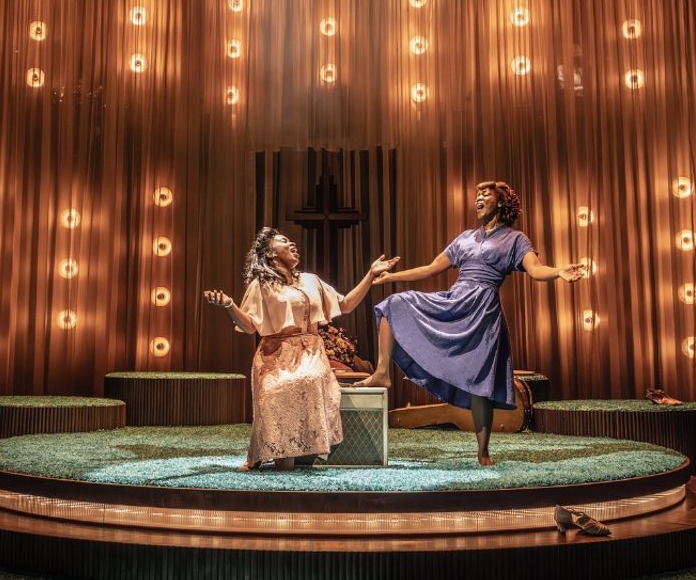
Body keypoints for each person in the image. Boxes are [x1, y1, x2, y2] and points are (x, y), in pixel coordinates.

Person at [353, 181, 585, 466]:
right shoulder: (464, 238)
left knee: (480, 383)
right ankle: (381, 372)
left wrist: (559, 271)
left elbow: (536, 270)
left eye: (485, 194)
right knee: (393, 305)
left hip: (484, 313)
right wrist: (391, 277)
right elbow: (429, 268)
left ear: (500, 202)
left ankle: (483, 450)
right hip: (456, 300)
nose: (478, 198)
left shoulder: (515, 239)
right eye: (477, 195)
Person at [204, 227, 399, 471]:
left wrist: (370, 274)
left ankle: (286, 461)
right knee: (277, 388)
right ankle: (276, 462)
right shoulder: (262, 285)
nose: (292, 243)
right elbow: (249, 326)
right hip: (275, 356)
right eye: (284, 241)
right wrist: (230, 305)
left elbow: (346, 304)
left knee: (306, 379)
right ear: (269, 254)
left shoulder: (311, 280)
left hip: (310, 354)